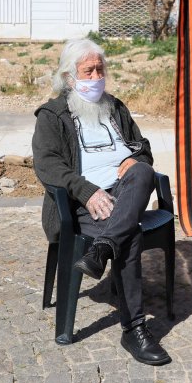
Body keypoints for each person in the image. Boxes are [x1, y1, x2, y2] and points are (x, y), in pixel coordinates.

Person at [32, 38, 171, 366]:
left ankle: (103, 248)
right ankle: (134, 329)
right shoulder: (52, 116)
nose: (96, 76)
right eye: (88, 71)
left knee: (143, 172)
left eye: (100, 69)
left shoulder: (116, 107)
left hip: (125, 194)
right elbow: (47, 164)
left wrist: (136, 159)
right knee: (130, 232)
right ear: (70, 77)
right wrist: (86, 191)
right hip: (82, 204)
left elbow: (142, 146)